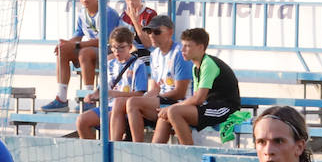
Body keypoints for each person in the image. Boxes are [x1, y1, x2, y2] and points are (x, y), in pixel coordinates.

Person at [153, 27, 241, 146]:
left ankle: (189, 155)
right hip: (210, 106)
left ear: (200, 47)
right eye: (183, 45)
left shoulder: (208, 64)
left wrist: (171, 108)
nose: (182, 50)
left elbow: (199, 99)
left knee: (173, 111)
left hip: (225, 109)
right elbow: (196, 98)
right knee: (166, 115)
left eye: (187, 46)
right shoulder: (195, 66)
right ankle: (155, 153)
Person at [41, 0, 123, 112]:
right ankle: (61, 99)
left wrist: (77, 45)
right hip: (90, 51)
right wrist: (66, 44)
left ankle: (89, 98)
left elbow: (106, 40)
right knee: (62, 50)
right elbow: (77, 37)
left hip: (110, 52)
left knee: (85, 52)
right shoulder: (82, 13)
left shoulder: (108, 13)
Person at [123, 15, 190, 144]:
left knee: (132, 103)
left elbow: (180, 92)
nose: (152, 35)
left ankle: (136, 147)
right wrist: (148, 97)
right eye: (148, 31)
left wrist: (153, 98)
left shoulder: (179, 54)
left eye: (157, 32)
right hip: (163, 101)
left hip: (181, 103)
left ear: (170, 32)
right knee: (120, 104)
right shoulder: (154, 55)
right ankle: (114, 145)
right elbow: (155, 88)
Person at [75, 26, 150, 141]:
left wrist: (114, 94)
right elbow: (102, 88)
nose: (117, 51)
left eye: (121, 48)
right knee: (81, 121)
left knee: (109, 119)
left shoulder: (138, 65)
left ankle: (111, 153)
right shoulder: (110, 64)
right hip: (108, 106)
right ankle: (96, 154)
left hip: (124, 109)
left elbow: (139, 95)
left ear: (130, 47)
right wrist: (93, 95)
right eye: (114, 48)